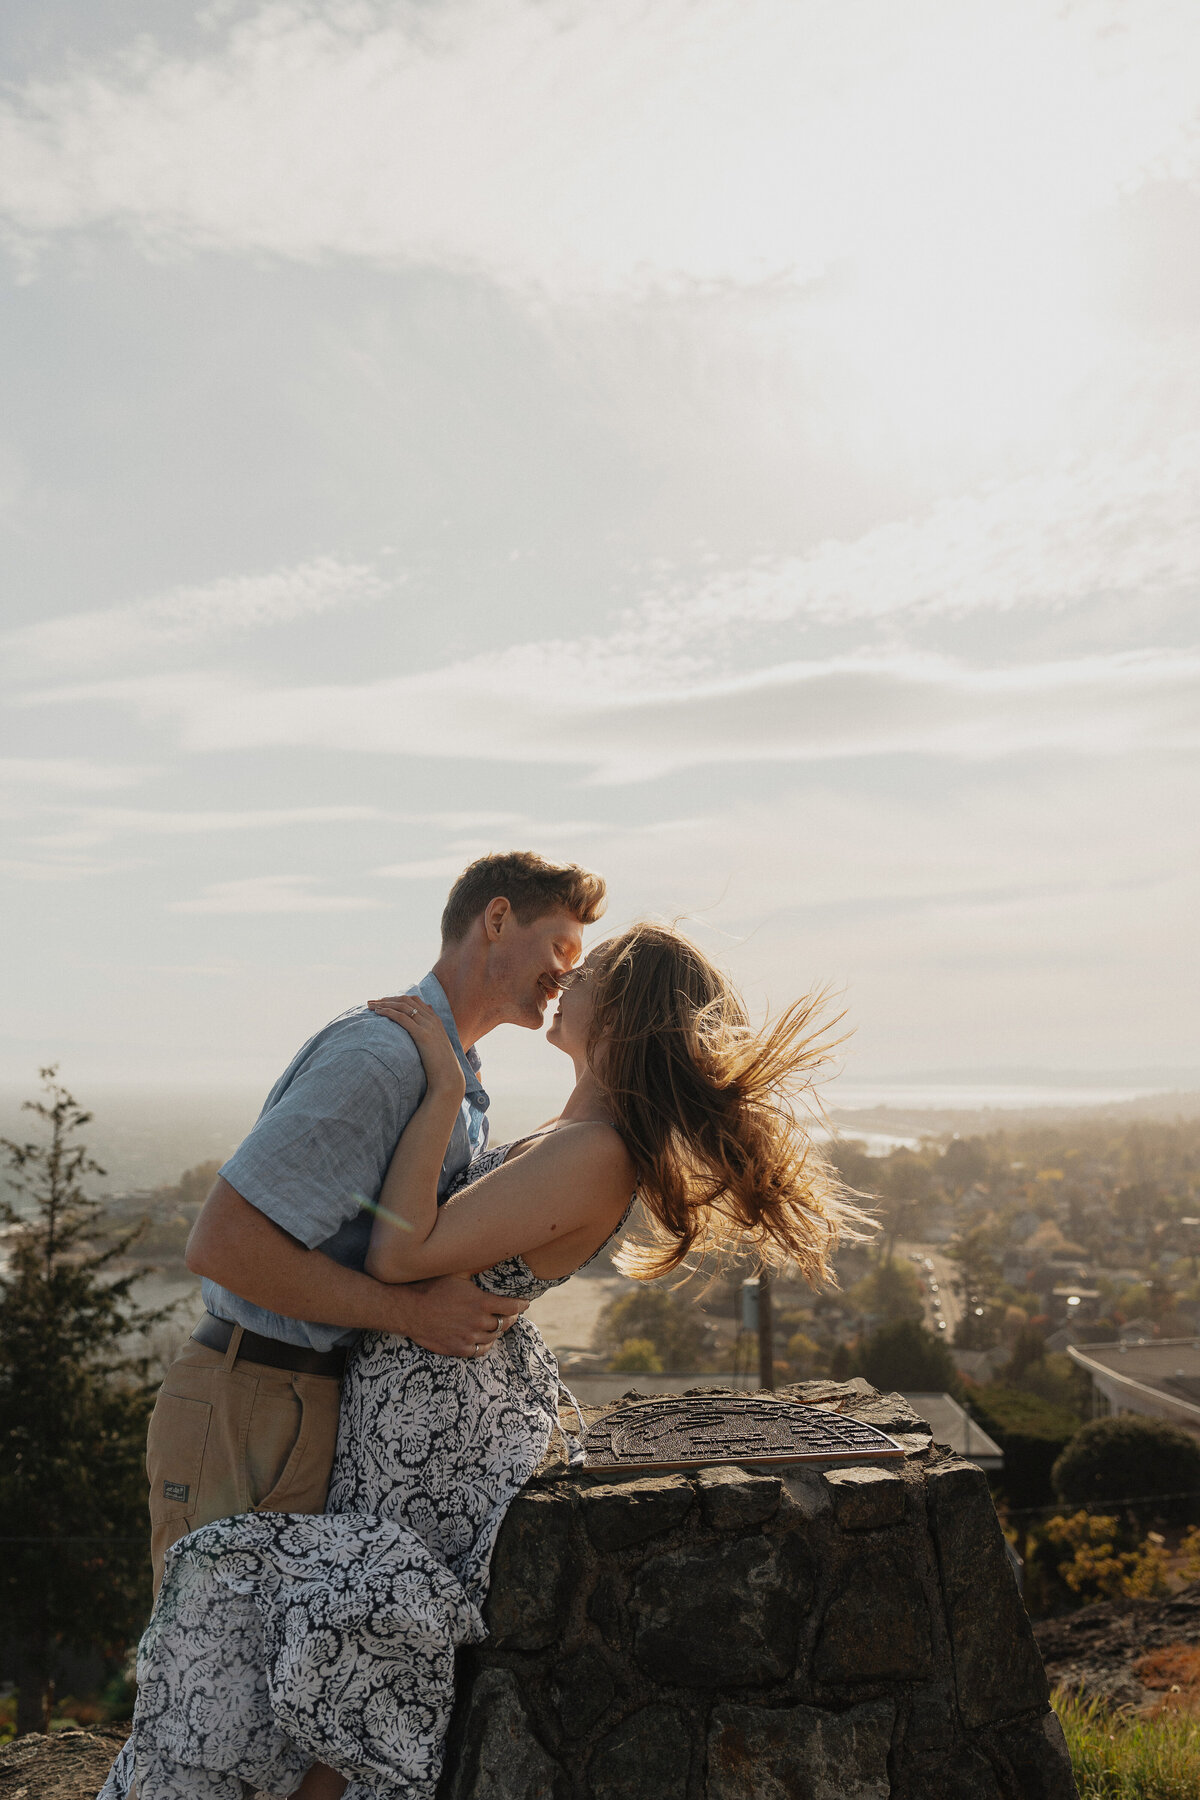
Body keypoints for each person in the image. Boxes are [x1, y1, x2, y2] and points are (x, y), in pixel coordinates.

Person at [104, 923, 866, 1800]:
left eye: (590, 969)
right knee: (327, 1657)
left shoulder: (595, 1151)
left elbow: (399, 1253)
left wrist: (440, 1087)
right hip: (415, 1413)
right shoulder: (575, 1131)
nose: (567, 978)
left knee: (346, 1658)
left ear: (621, 1010)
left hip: (433, 1439)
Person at [143, 850, 606, 1594]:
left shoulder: (450, 1076)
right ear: (496, 919)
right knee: (216, 1658)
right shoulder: (383, 1058)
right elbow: (223, 1244)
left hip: (303, 1403)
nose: (566, 975)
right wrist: (411, 1314)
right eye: (560, 946)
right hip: (253, 1403)